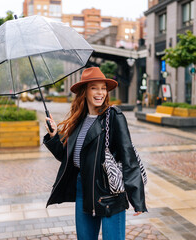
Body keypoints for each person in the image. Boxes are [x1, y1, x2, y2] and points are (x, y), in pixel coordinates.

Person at [43, 67, 147, 240]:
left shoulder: (113, 116)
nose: (101, 93)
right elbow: (68, 158)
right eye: (94, 88)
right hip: (83, 189)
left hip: (109, 193)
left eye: (103, 88)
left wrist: (137, 198)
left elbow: (128, 156)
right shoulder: (79, 121)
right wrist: (54, 136)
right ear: (84, 92)